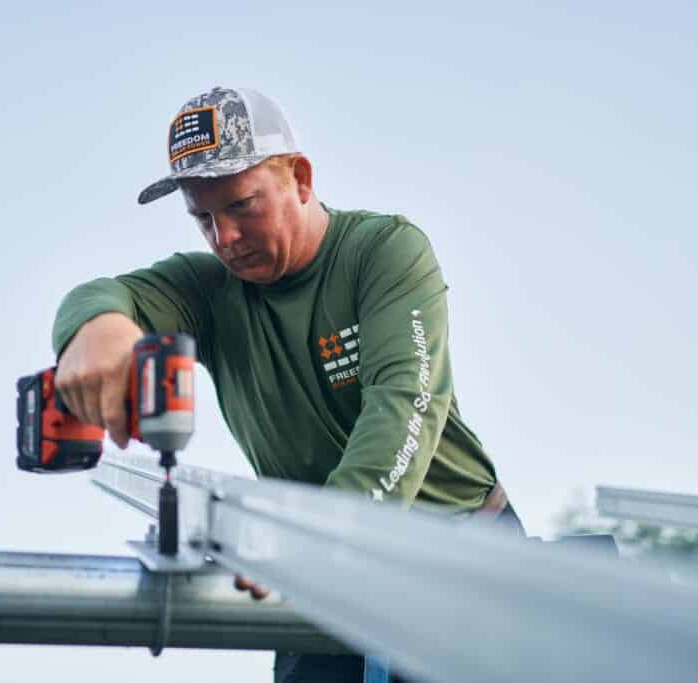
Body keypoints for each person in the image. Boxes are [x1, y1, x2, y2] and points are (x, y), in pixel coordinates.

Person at [52, 86, 525, 683]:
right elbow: (101, 295)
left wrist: (322, 537)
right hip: (315, 575)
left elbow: (405, 405)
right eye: (203, 218)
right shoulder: (209, 292)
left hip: (456, 553)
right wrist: (98, 329)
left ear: (299, 179)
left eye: (243, 206)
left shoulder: (383, 252)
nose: (224, 238)